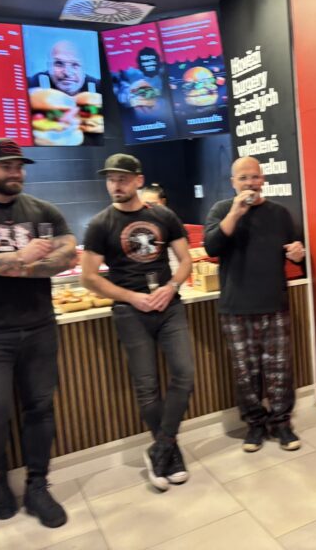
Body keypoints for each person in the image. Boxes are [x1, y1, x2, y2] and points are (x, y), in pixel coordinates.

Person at [0, 139, 78, 528]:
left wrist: (1, 265)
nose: (15, 172)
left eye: (19, 166)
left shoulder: (43, 210)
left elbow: (68, 254)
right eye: (6, 165)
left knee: (40, 409)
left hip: (39, 326)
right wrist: (20, 257)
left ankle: (38, 484)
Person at [81, 154, 195, 492]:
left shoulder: (163, 215)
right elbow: (89, 277)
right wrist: (131, 297)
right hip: (129, 312)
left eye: (122, 178)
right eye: (111, 179)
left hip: (169, 306)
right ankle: (170, 453)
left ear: (138, 180)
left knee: (185, 374)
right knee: (146, 386)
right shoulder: (100, 224)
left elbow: (185, 260)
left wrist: (171, 286)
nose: (116, 184)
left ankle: (162, 447)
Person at [204, 156, 305, 453]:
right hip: (236, 306)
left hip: (274, 302)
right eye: (243, 178)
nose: (250, 183)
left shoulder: (280, 213)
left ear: (263, 179)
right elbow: (211, 246)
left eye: (255, 177)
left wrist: (298, 254)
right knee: (244, 372)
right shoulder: (221, 210)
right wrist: (236, 212)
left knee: (279, 369)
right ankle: (255, 425)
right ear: (233, 183)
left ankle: (282, 423)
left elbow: (296, 252)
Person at [28, 40, 100, 97]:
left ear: (84, 70)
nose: (67, 73)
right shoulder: (33, 83)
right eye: (59, 63)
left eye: (75, 65)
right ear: (49, 67)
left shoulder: (99, 87)